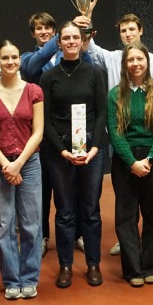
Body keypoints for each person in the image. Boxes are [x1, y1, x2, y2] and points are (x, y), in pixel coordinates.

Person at [87, 13, 153, 256]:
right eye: (123, 31)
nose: (128, 34)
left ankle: (149, 252)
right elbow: (90, 48)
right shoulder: (113, 60)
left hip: (152, 145)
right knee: (126, 202)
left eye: (132, 29)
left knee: (152, 207)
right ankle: (128, 244)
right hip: (122, 143)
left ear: (140, 30)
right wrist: (87, 18)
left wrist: (152, 156)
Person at [19, 12, 92, 257]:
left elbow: (87, 68)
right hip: (38, 133)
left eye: (48, 28)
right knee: (42, 189)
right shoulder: (28, 58)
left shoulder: (68, 56)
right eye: (38, 29)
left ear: (53, 31)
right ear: (33, 33)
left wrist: (79, 38)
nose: (43, 32)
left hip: (70, 132)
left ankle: (78, 233)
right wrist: (59, 38)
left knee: (74, 188)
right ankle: (42, 236)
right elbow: (32, 67)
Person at [40, 21, 107, 288]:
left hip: (91, 152)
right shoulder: (49, 77)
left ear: (82, 41)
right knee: (65, 211)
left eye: (74, 38)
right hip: (60, 153)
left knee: (90, 210)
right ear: (59, 43)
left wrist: (95, 148)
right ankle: (65, 265)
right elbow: (45, 120)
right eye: (65, 38)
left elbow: (101, 113)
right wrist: (62, 151)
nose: (70, 42)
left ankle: (93, 264)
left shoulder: (95, 73)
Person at [0, 40, 44, 299]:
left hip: (29, 164)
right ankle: (12, 279)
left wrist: (18, 164)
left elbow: (38, 132)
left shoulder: (34, 91)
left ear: (20, 60)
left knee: (31, 224)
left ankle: (29, 277)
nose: (10, 62)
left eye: (14, 57)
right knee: (4, 224)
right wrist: (7, 164)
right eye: (5, 58)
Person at [108, 42, 153, 286]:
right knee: (126, 217)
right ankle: (133, 269)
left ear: (147, 61)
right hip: (126, 161)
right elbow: (115, 132)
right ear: (125, 64)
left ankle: (152, 265)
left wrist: (151, 158)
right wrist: (132, 162)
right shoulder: (115, 94)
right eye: (130, 60)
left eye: (139, 59)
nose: (135, 64)